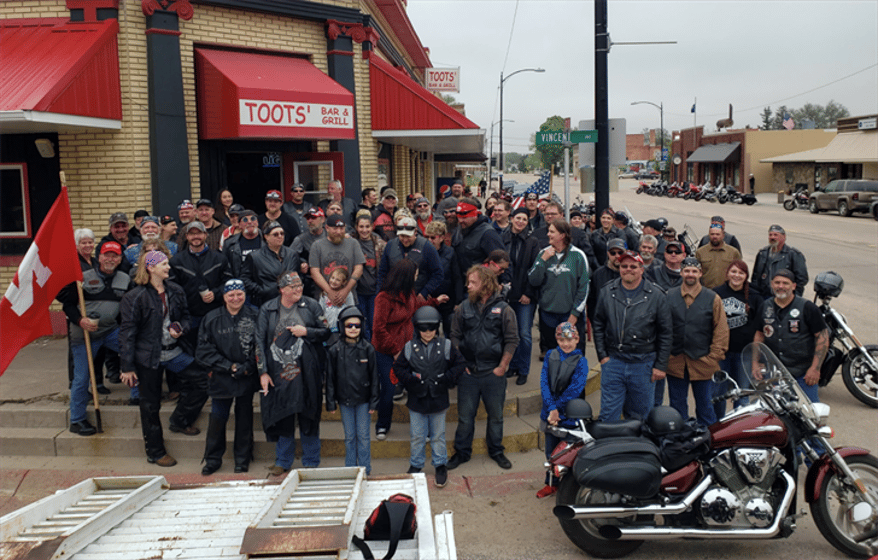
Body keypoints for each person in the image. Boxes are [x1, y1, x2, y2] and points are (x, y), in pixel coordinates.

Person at [119, 250, 209, 467]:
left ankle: (180, 420)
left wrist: (181, 327)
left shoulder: (176, 290)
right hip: (148, 357)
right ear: (150, 268)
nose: (168, 267)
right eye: (164, 264)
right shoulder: (135, 296)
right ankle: (155, 451)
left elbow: (186, 318)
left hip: (174, 352)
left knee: (203, 381)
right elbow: (127, 333)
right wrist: (127, 366)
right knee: (150, 405)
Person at [256, 271, 330, 475]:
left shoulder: (312, 306)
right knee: (283, 415)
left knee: (309, 415)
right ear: (282, 289)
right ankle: (283, 460)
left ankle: (311, 461)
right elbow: (259, 342)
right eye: (293, 287)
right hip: (279, 370)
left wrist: (307, 332)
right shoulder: (268, 309)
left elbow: (326, 331)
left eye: (300, 286)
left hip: (308, 370)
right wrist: (263, 372)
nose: (299, 290)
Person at [448, 265, 518, 470]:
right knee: (465, 417)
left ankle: (496, 450)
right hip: (468, 373)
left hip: (493, 373)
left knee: (496, 416)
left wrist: (502, 367)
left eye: (473, 282)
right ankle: (462, 452)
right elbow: (454, 336)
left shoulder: (505, 309)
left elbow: (512, 340)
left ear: (485, 285)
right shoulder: (463, 307)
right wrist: (461, 363)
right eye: (468, 282)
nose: (468, 286)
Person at [57, 240, 131, 435]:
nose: (110, 259)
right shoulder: (82, 277)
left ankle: (138, 396)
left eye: (115, 255)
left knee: (137, 352)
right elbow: (68, 305)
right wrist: (80, 320)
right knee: (81, 377)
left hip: (110, 331)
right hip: (84, 334)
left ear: (120, 259)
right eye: (107, 255)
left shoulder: (125, 279)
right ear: (99, 257)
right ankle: (77, 419)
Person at [372, 260, 448, 440]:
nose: (417, 276)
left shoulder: (409, 293)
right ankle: (382, 424)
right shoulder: (383, 298)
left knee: (418, 387)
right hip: (386, 351)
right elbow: (378, 329)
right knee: (389, 389)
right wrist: (395, 350)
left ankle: (424, 429)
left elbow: (415, 307)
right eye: (415, 273)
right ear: (406, 276)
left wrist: (435, 301)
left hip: (407, 348)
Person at [593, 250, 672, 422]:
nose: (628, 269)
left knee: (639, 418)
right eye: (624, 266)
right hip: (614, 362)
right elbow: (598, 323)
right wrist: (602, 356)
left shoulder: (657, 295)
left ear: (641, 269)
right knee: (608, 416)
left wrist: (660, 365)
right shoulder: (607, 292)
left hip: (643, 364)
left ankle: (637, 448)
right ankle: (610, 447)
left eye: (633, 266)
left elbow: (666, 333)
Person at [394, 306, 467, 487]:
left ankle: (440, 464)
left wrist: (447, 379)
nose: (428, 333)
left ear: (437, 328)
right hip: (417, 399)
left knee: (438, 435)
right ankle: (416, 464)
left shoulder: (447, 345)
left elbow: (460, 364)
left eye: (432, 329)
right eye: (424, 329)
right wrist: (410, 380)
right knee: (417, 435)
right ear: (417, 328)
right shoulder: (410, 347)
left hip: (438, 399)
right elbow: (398, 368)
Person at [195, 279, 259, 475]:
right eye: (231, 294)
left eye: (239, 294)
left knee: (244, 418)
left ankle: (242, 458)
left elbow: (261, 346)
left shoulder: (255, 316)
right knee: (218, 419)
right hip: (221, 378)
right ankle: (213, 459)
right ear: (223, 297)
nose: (236, 298)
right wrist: (228, 366)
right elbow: (203, 351)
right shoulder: (211, 318)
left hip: (246, 376)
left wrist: (247, 367)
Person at [666, 257, 729, 427]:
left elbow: (721, 330)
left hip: (703, 363)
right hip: (675, 363)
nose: (690, 274)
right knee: (677, 407)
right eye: (687, 271)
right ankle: (680, 443)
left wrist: (713, 357)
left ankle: (710, 444)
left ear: (700, 273)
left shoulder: (713, 298)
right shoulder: (669, 296)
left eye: (694, 271)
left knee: (706, 408)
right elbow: (662, 327)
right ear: (681, 272)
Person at [753, 269, 828, 403]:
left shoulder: (807, 307)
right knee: (775, 414)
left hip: (803, 374)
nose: (780, 286)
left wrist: (815, 369)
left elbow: (822, 337)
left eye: (785, 283)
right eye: (777, 282)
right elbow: (759, 335)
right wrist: (755, 362)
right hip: (775, 374)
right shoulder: (765, 306)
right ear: (771, 284)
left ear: (793, 286)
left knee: (810, 415)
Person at [537, 322, 589, 498]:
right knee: (550, 454)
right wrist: (551, 408)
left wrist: (556, 409)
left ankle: (568, 489)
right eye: (561, 340)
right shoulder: (551, 355)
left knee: (568, 454)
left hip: (569, 415)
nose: (566, 344)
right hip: (550, 414)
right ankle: (551, 484)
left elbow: (575, 389)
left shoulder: (582, 362)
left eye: (570, 340)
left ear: (577, 339)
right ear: (557, 340)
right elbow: (544, 383)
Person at [325, 306, 379, 474]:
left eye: (357, 325)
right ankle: (350, 469)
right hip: (345, 400)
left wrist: (374, 400)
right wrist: (331, 402)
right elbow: (330, 378)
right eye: (349, 326)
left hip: (363, 401)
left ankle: (365, 469)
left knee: (363, 436)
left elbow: (375, 377)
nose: (353, 329)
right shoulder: (334, 349)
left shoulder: (368, 348)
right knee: (350, 437)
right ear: (342, 326)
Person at [528, 219, 590, 356]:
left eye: (552, 232)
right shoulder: (544, 253)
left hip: (569, 315)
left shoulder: (578, 256)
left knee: (573, 354)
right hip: (548, 315)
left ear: (562, 235)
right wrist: (542, 261)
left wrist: (574, 314)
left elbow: (584, 287)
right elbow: (533, 280)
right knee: (553, 355)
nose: (548, 235)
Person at [169, 221, 232, 349]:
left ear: (205, 235)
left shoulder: (219, 258)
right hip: (189, 316)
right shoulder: (176, 260)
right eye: (192, 234)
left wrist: (215, 293)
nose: (195, 237)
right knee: (193, 349)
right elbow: (172, 288)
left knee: (216, 346)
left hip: (215, 313)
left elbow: (228, 282)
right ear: (186, 236)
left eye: (199, 233)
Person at [712, 260, 763, 418]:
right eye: (733, 272)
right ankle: (717, 423)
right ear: (727, 273)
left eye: (741, 273)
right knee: (718, 392)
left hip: (744, 353)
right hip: (722, 353)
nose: (736, 276)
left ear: (746, 276)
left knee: (742, 393)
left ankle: (740, 423)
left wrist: (756, 357)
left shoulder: (755, 297)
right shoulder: (716, 293)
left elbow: (759, 329)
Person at [502, 208, 540, 384]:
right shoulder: (503, 238)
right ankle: (513, 365)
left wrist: (528, 293)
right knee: (511, 334)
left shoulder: (532, 242)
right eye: (518, 218)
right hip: (507, 295)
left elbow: (535, 270)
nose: (521, 222)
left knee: (524, 334)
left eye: (524, 219)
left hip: (525, 297)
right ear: (511, 219)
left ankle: (524, 369)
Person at [376, 216, 443, 300]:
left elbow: (438, 274)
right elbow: (382, 273)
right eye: (402, 236)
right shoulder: (390, 245)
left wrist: (424, 292)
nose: (405, 239)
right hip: (394, 297)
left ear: (415, 232)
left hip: (417, 296)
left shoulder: (427, 246)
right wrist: (380, 294)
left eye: (408, 236)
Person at [453, 198, 507, 295]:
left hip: (482, 289)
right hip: (462, 286)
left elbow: (502, 261)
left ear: (475, 215)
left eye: (465, 218)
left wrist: (502, 286)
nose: (461, 221)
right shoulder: (460, 229)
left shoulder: (488, 234)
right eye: (459, 217)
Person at [309, 213, 365, 303]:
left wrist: (346, 290)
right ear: (327, 228)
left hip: (348, 296)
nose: (339, 232)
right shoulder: (317, 245)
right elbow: (314, 272)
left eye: (341, 228)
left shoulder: (353, 243)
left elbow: (359, 268)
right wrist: (329, 291)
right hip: (324, 297)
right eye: (335, 228)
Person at [243, 221, 300, 307]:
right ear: (266, 237)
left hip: (290, 302)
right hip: (266, 302)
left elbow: (298, 277)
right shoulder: (254, 257)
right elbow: (245, 279)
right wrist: (262, 290)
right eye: (275, 234)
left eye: (282, 233)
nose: (280, 236)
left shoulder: (292, 254)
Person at [424, 221, 462, 335]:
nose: (429, 240)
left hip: (448, 298)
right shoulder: (423, 252)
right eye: (427, 237)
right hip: (430, 298)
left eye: (433, 237)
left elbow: (457, 277)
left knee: (450, 331)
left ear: (441, 238)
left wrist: (458, 301)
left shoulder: (450, 253)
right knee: (429, 332)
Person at [354, 213, 386, 343]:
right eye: (361, 226)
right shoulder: (351, 243)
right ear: (356, 227)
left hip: (374, 292)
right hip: (358, 292)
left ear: (372, 227)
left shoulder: (380, 245)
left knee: (374, 325)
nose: (364, 230)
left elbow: (384, 269)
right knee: (361, 325)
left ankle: (374, 353)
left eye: (367, 226)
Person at [751, 224, 808, 297]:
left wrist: (793, 297)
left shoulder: (794, 255)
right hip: (764, 296)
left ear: (784, 237)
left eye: (775, 235)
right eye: (770, 235)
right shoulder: (763, 253)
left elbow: (802, 280)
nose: (772, 237)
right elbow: (755, 277)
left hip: (784, 296)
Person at [696, 223, 742, 289]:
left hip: (727, 291)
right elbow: (696, 273)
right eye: (712, 234)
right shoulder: (700, 252)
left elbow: (740, 272)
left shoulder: (733, 252)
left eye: (717, 234)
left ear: (723, 236)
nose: (715, 236)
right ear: (709, 235)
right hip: (706, 290)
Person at [319, 267, 357, 346]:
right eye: (332, 278)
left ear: (344, 282)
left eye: (338, 280)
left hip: (342, 330)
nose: (333, 281)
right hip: (328, 329)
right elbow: (320, 312)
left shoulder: (348, 294)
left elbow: (352, 311)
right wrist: (324, 325)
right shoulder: (324, 294)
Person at [223, 210, 262, 279]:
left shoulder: (268, 240)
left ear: (257, 222)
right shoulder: (229, 244)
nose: (249, 222)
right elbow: (225, 269)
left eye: (253, 219)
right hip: (240, 285)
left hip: (263, 284)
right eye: (245, 220)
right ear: (239, 225)